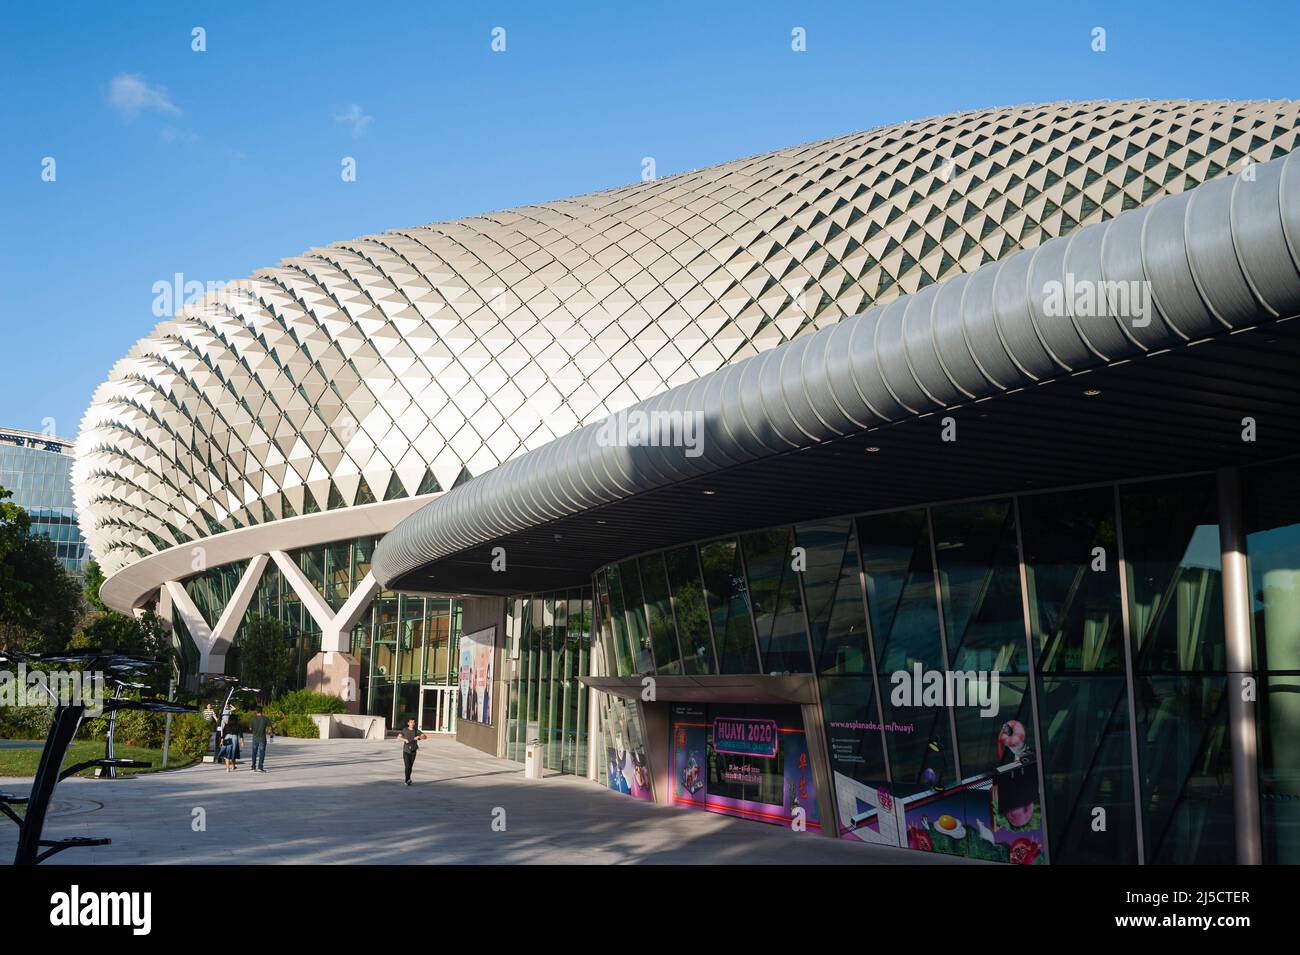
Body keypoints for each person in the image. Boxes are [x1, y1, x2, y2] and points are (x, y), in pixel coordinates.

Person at [394, 718, 427, 785]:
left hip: (413, 751)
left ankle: (408, 779)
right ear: (408, 723)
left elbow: (425, 737)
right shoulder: (405, 730)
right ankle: (407, 780)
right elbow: (398, 737)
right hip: (406, 751)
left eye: (413, 722)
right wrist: (404, 739)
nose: (412, 724)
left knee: (410, 766)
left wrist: (421, 737)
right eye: (411, 722)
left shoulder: (416, 731)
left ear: (414, 724)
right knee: (407, 766)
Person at [248, 706, 273, 773]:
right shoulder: (265, 718)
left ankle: (253, 766)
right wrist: (271, 735)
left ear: (256, 711)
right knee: (262, 753)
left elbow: (250, 729)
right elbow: (270, 729)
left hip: (255, 738)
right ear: (261, 711)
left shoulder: (252, 719)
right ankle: (260, 767)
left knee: (254, 752)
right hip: (262, 738)